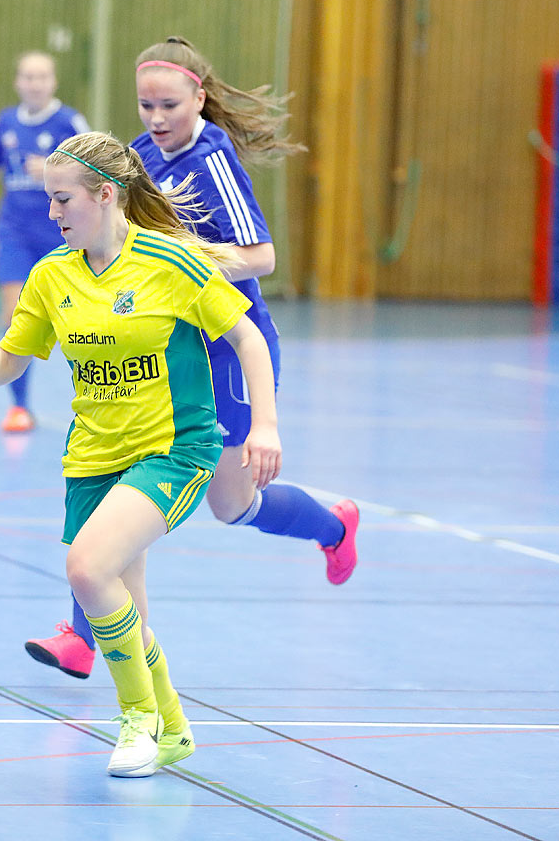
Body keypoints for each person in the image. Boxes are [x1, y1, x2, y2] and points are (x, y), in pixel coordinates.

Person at [0, 131, 282, 777]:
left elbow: (248, 339)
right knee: (127, 608)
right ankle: (174, 729)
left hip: (174, 449)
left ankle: (137, 723)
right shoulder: (53, 275)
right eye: (49, 200)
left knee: (87, 569)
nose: (53, 213)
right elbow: (11, 355)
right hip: (94, 458)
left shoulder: (170, 263)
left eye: (63, 199)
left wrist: (264, 426)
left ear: (107, 195)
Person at [24, 37, 359, 680]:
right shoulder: (142, 155)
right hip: (167, 347)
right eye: (145, 104)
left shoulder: (213, 161)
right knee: (116, 462)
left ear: (199, 98)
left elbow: (261, 258)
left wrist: (183, 267)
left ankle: (334, 526)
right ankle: (81, 632)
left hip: (228, 346)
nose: (154, 117)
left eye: (168, 105)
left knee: (232, 505)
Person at [0, 51, 89, 433]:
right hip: (15, 231)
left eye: (42, 77)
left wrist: (56, 167)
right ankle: (19, 407)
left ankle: (95, 401)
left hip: (61, 232)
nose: (35, 83)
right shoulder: (6, 122)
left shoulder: (69, 122)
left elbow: (96, 169)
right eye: (28, 77)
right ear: (18, 82)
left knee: (78, 320)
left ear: (53, 82)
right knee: (15, 316)